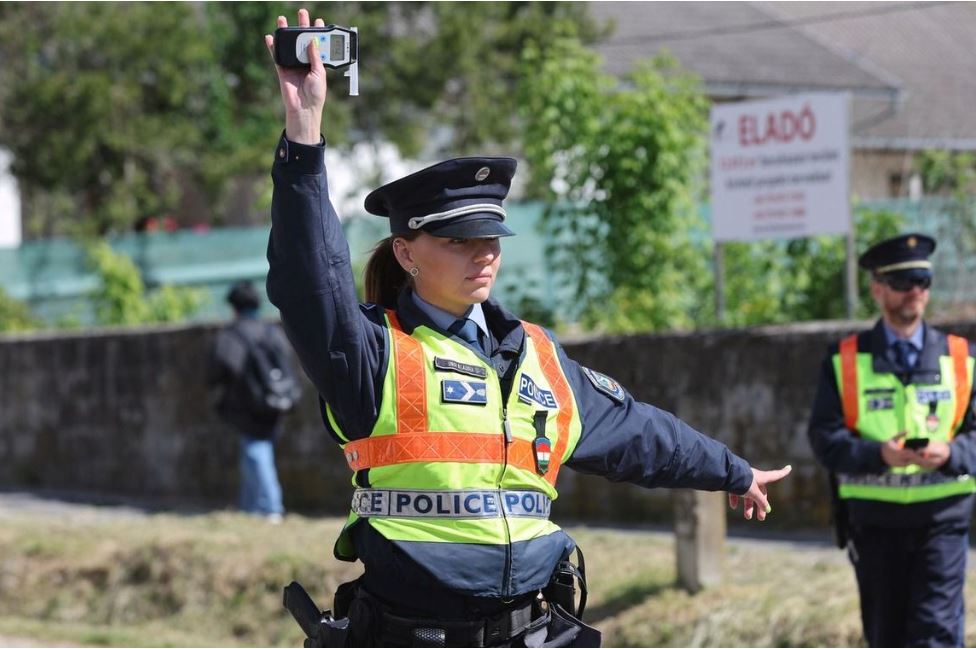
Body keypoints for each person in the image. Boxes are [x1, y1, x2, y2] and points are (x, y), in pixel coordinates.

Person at [263, 9, 792, 647]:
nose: (482, 252)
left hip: (533, 629)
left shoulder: (535, 354)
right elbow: (308, 281)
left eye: (490, 237)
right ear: (407, 253)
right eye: (458, 239)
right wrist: (304, 135)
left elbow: (637, 433)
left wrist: (733, 471)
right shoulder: (372, 351)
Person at [806, 233, 976, 647]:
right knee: (886, 636)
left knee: (935, 633)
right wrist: (878, 454)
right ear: (877, 289)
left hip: (942, 523)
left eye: (923, 280)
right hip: (874, 526)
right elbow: (824, 439)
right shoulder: (843, 360)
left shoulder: (961, 357)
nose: (915, 291)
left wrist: (950, 452)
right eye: (903, 282)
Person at [207, 281, 292, 523]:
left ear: (233, 306)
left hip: (247, 406)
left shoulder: (232, 335)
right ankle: (250, 507)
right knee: (254, 451)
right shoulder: (270, 331)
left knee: (256, 450)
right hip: (276, 403)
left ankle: (271, 507)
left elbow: (218, 371)